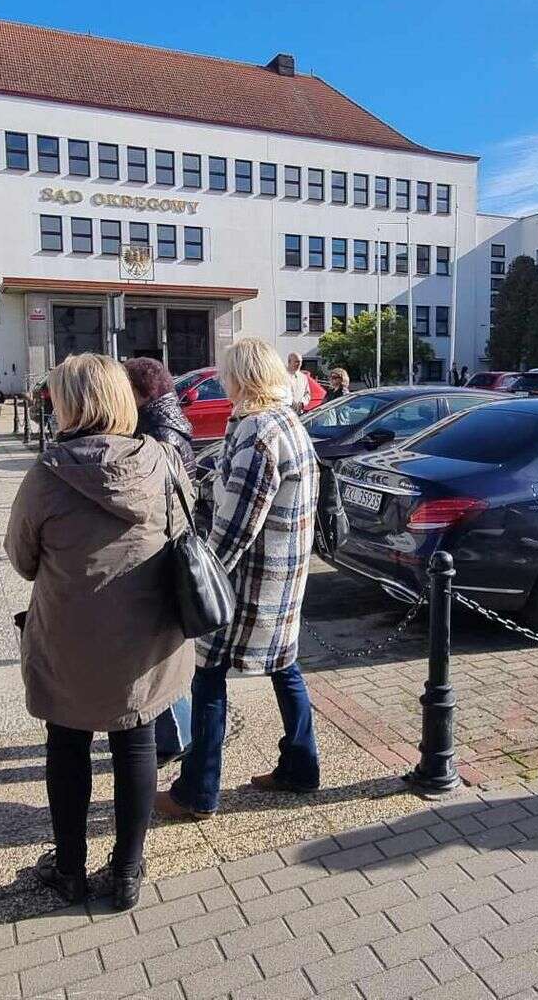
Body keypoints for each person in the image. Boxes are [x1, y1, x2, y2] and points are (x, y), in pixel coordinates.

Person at [6, 353, 191, 910]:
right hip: (146, 634)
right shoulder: (161, 459)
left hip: (69, 634)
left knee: (67, 745)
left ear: (69, 405)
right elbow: (183, 529)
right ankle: (128, 873)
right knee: (136, 741)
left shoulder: (47, 474)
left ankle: (70, 871)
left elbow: (22, 557)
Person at [158, 338, 320, 821]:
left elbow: (236, 525)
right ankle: (300, 766)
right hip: (283, 574)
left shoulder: (259, 431)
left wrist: (199, 580)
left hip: (251, 581)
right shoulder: (287, 421)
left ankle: (198, 792)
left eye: (228, 374)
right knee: (285, 668)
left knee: (208, 679)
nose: (223, 381)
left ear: (241, 378)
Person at [124, 357, 196, 765]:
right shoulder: (160, 419)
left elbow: (163, 495)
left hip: (164, 546)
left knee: (161, 657)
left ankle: (176, 736)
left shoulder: (159, 430)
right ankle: (177, 732)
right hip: (167, 543)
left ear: (140, 392)